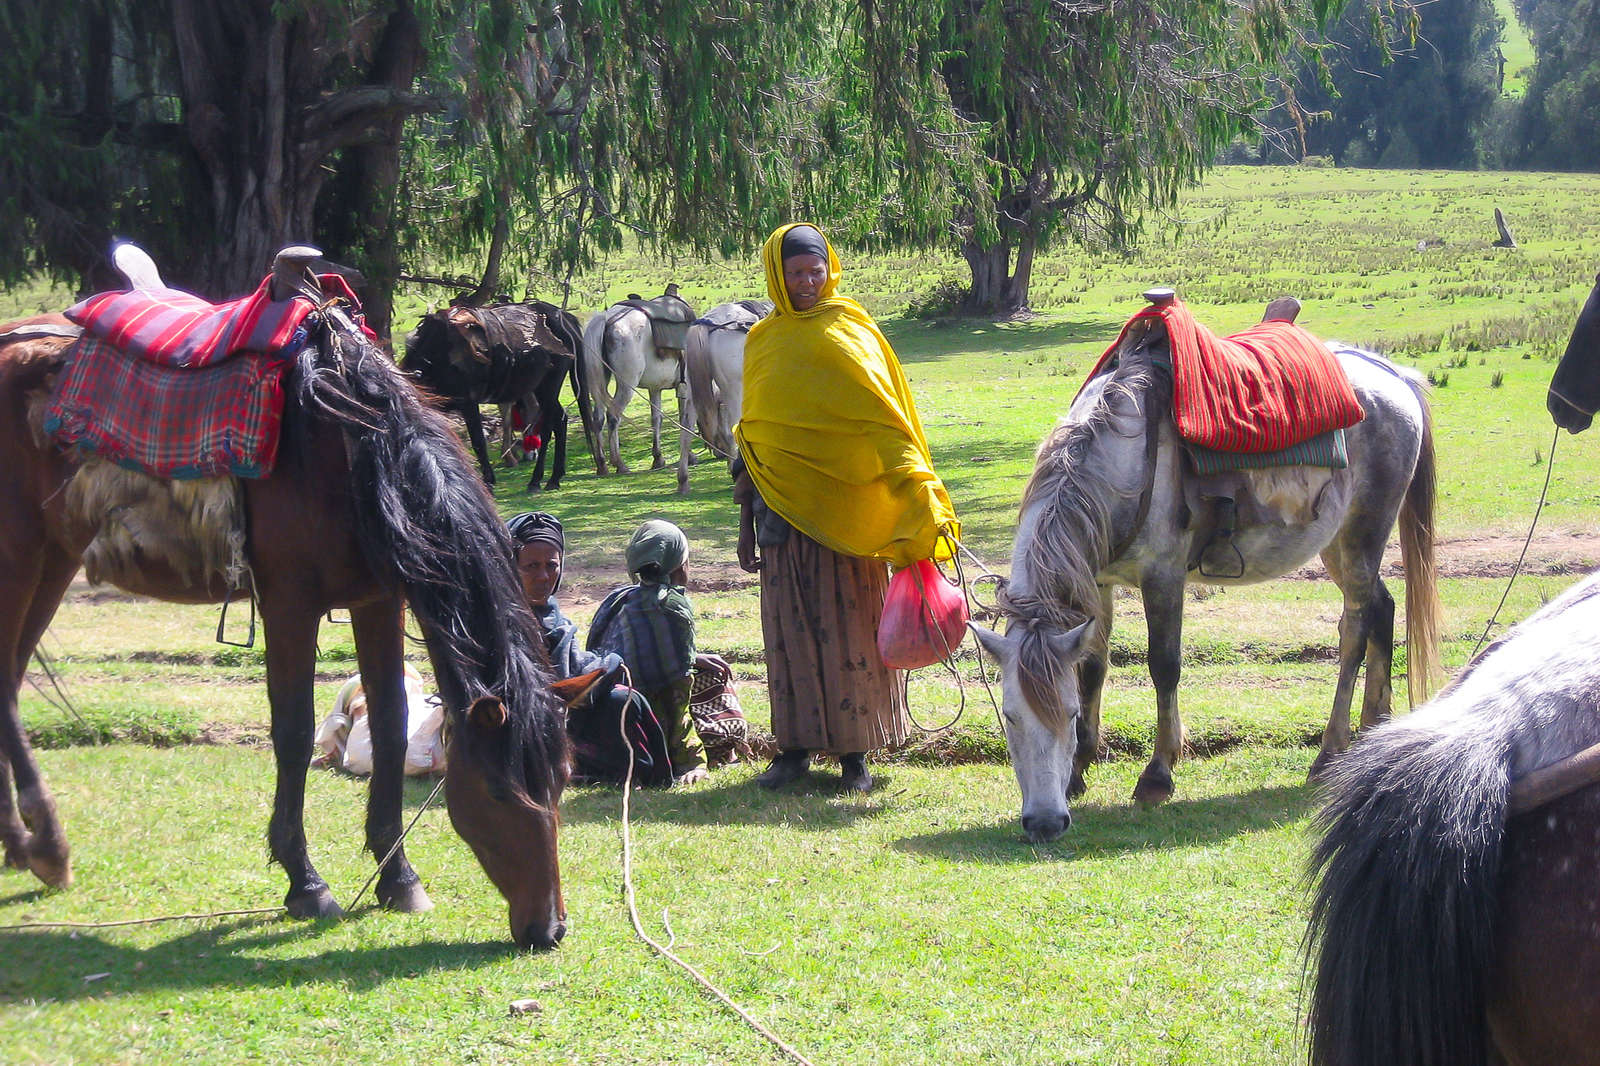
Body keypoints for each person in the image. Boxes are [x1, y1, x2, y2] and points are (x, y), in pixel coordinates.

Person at [733, 222, 960, 793]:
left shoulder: (851, 331)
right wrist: (744, 527)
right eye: (795, 274)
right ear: (776, 276)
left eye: (816, 271)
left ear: (829, 270)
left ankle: (855, 755)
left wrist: (919, 488)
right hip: (781, 519)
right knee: (789, 635)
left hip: (850, 519)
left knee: (851, 632)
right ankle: (793, 751)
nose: (807, 283)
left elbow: (886, 422)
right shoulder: (763, 342)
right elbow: (754, 439)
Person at [507, 511, 681, 787]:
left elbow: (571, 666)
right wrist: (603, 669)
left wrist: (606, 666)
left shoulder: (553, 617)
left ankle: (637, 775)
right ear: (508, 567)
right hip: (519, 722)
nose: (543, 576)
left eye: (551, 565)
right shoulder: (500, 619)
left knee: (621, 699)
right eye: (531, 566)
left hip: (564, 712)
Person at [586, 520, 709, 785]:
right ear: (680, 565)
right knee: (716, 685)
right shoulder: (673, 607)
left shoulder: (619, 599)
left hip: (607, 715)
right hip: (648, 724)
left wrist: (698, 659)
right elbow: (677, 695)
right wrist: (694, 762)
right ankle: (677, 758)